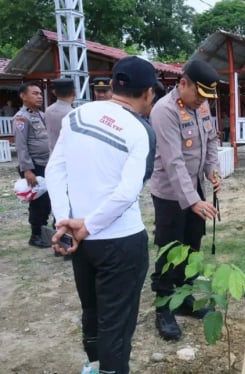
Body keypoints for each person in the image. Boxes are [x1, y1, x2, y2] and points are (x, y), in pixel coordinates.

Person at [46, 56, 157, 374]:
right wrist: (88, 225)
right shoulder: (139, 131)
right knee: (116, 325)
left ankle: (93, 367)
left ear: (112, 85)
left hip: (81, 242)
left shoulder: (77, 115)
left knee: (92, 312)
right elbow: (125, 194)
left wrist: (66, 221)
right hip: (120, 242)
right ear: (148, 93)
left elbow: (56, 170)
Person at [149, 59, 222, 341]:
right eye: (199, 94)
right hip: (170, 194)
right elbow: (173, 161)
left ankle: (186, 297)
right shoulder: (164, 111)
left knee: (192, 243)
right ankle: (164, 305)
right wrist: (192, 201)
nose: (203, 101)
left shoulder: (201, 104)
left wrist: (212, 172)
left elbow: (212, 141)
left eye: (207, 97)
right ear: (183, 84)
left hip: (194, 188)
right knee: (170, 250)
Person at [13, 82, 50, 248]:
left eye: (40, 93)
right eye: (35, 93)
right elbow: (21, 146)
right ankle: (35, 236)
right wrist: (27, 170)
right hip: (34, 166)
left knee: (47, 201)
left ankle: (43, 233)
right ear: (23, 96)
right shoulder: (22, 118)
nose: (39, 96)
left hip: (45, 163)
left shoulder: (41, 115)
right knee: (38, 202)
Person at [45, 78, 75, 153]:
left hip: (53, 156)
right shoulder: (73, 113)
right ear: (74, 93)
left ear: (54, 93)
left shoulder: (48, 110)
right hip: (69, 156)